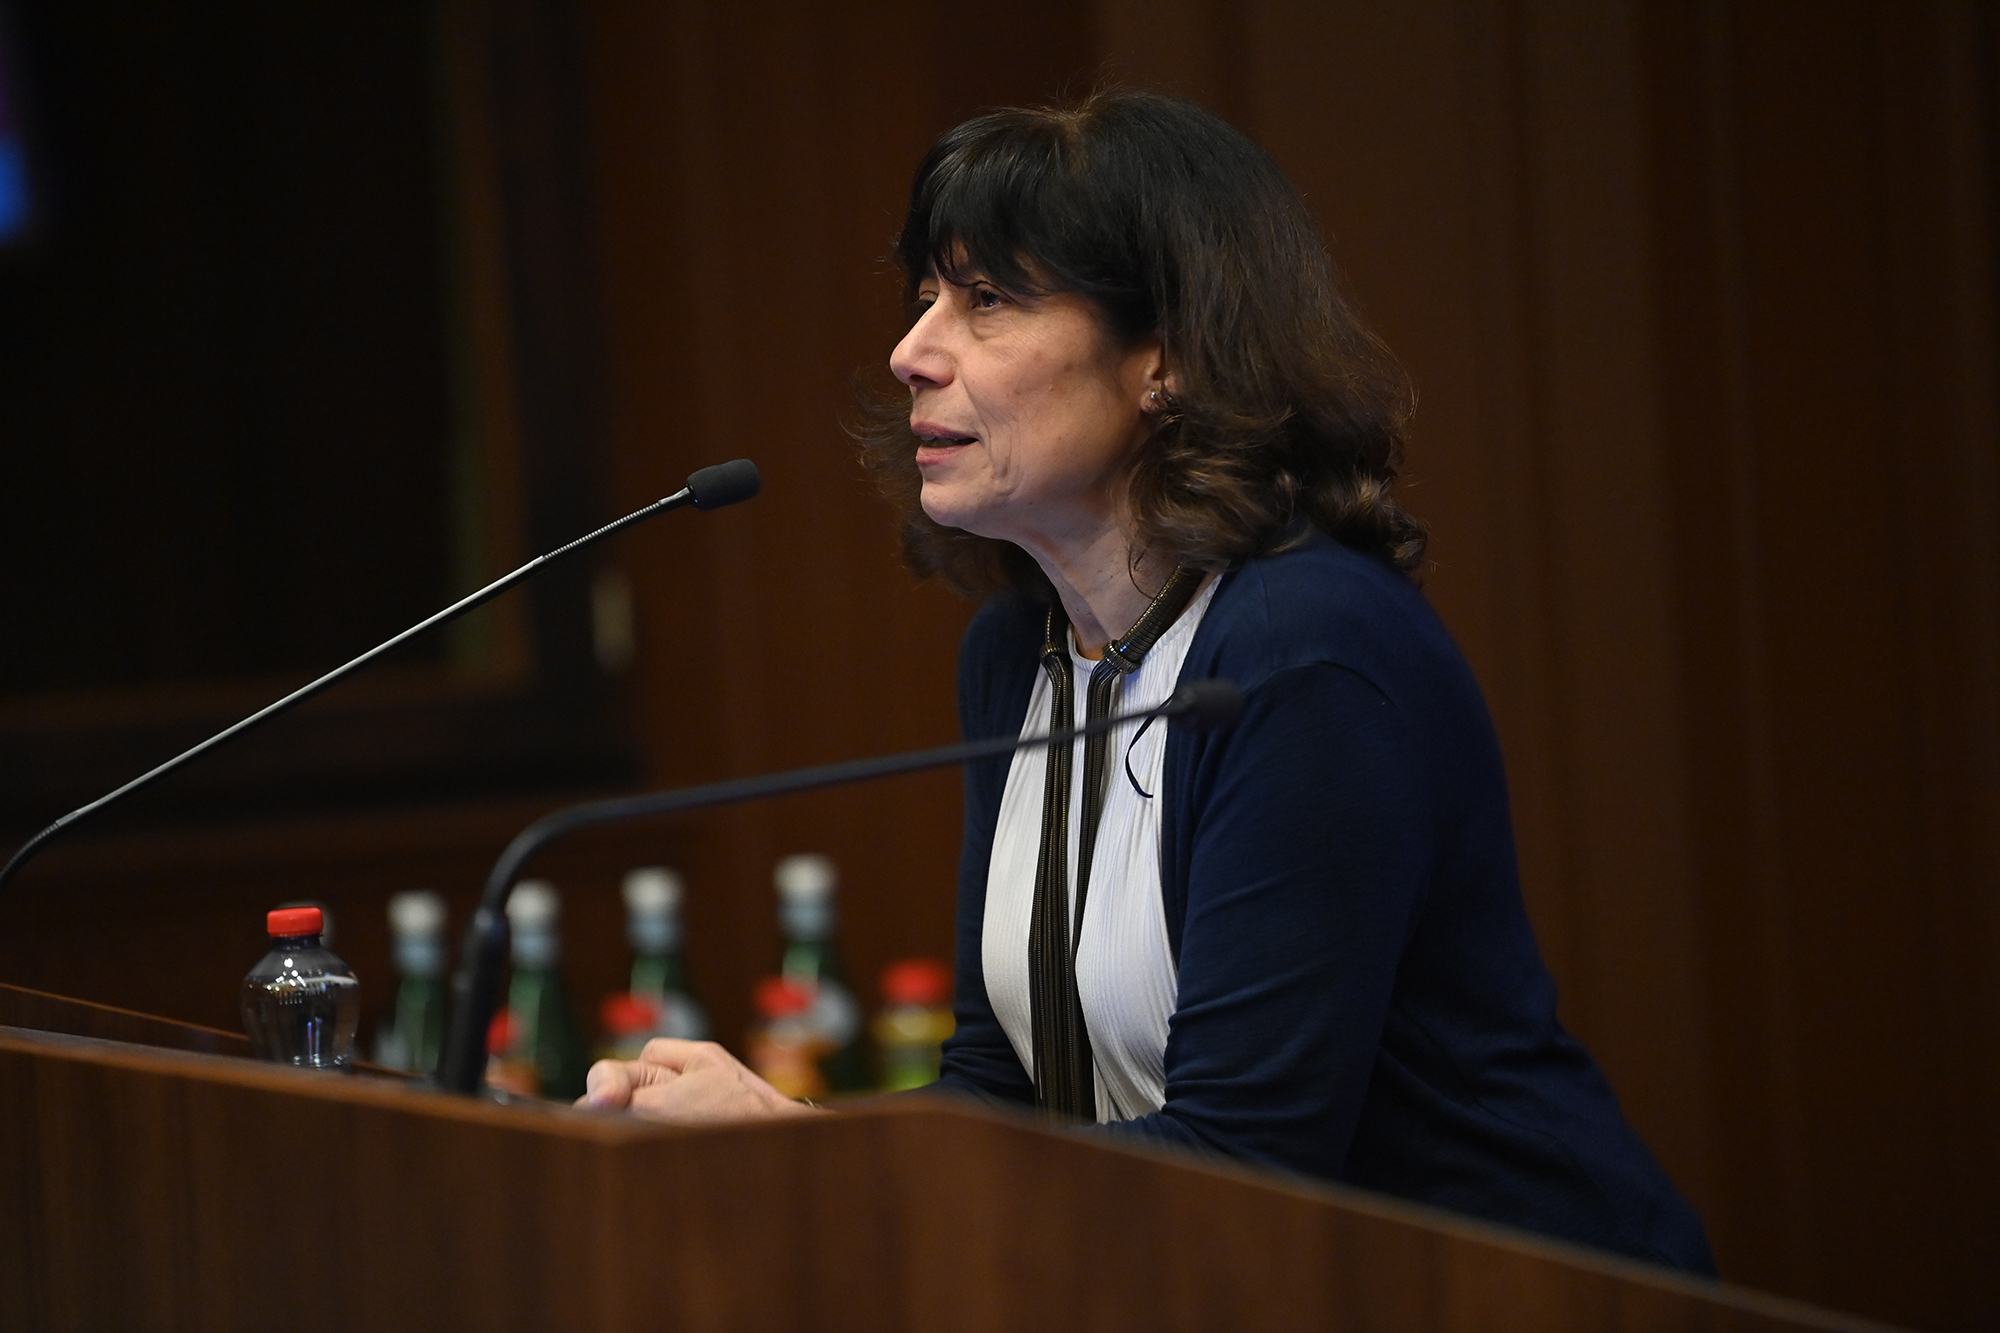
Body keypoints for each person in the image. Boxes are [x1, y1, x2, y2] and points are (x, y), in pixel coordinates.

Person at [579, 90, 1714, 1275]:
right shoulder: (1015, 648)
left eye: (986, 299)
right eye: (925, 295)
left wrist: (802, 1157)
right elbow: (1003, 1088)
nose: (911, 351)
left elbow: (1245, 1168)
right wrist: (785, 1135)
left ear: (1164, 355)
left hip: (1517, 1297)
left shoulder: (1302, 651)